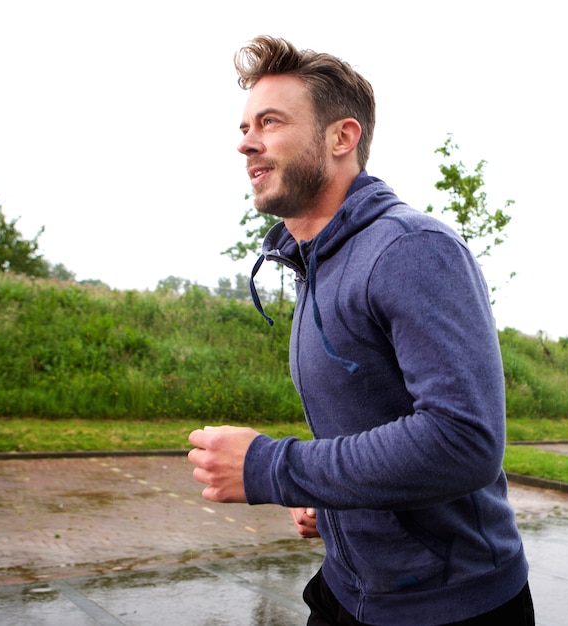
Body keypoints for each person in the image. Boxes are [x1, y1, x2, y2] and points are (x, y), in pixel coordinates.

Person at [188, 35, 534, 626]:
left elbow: (464, 441)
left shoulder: (410, 249)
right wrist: (329, 497)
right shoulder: (315, 264)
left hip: (450, 606)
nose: (246, 142)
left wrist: (275, 467)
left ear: (341, 137)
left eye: (269, 122)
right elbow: (371, 426)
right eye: (246, 125)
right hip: (350, 590)